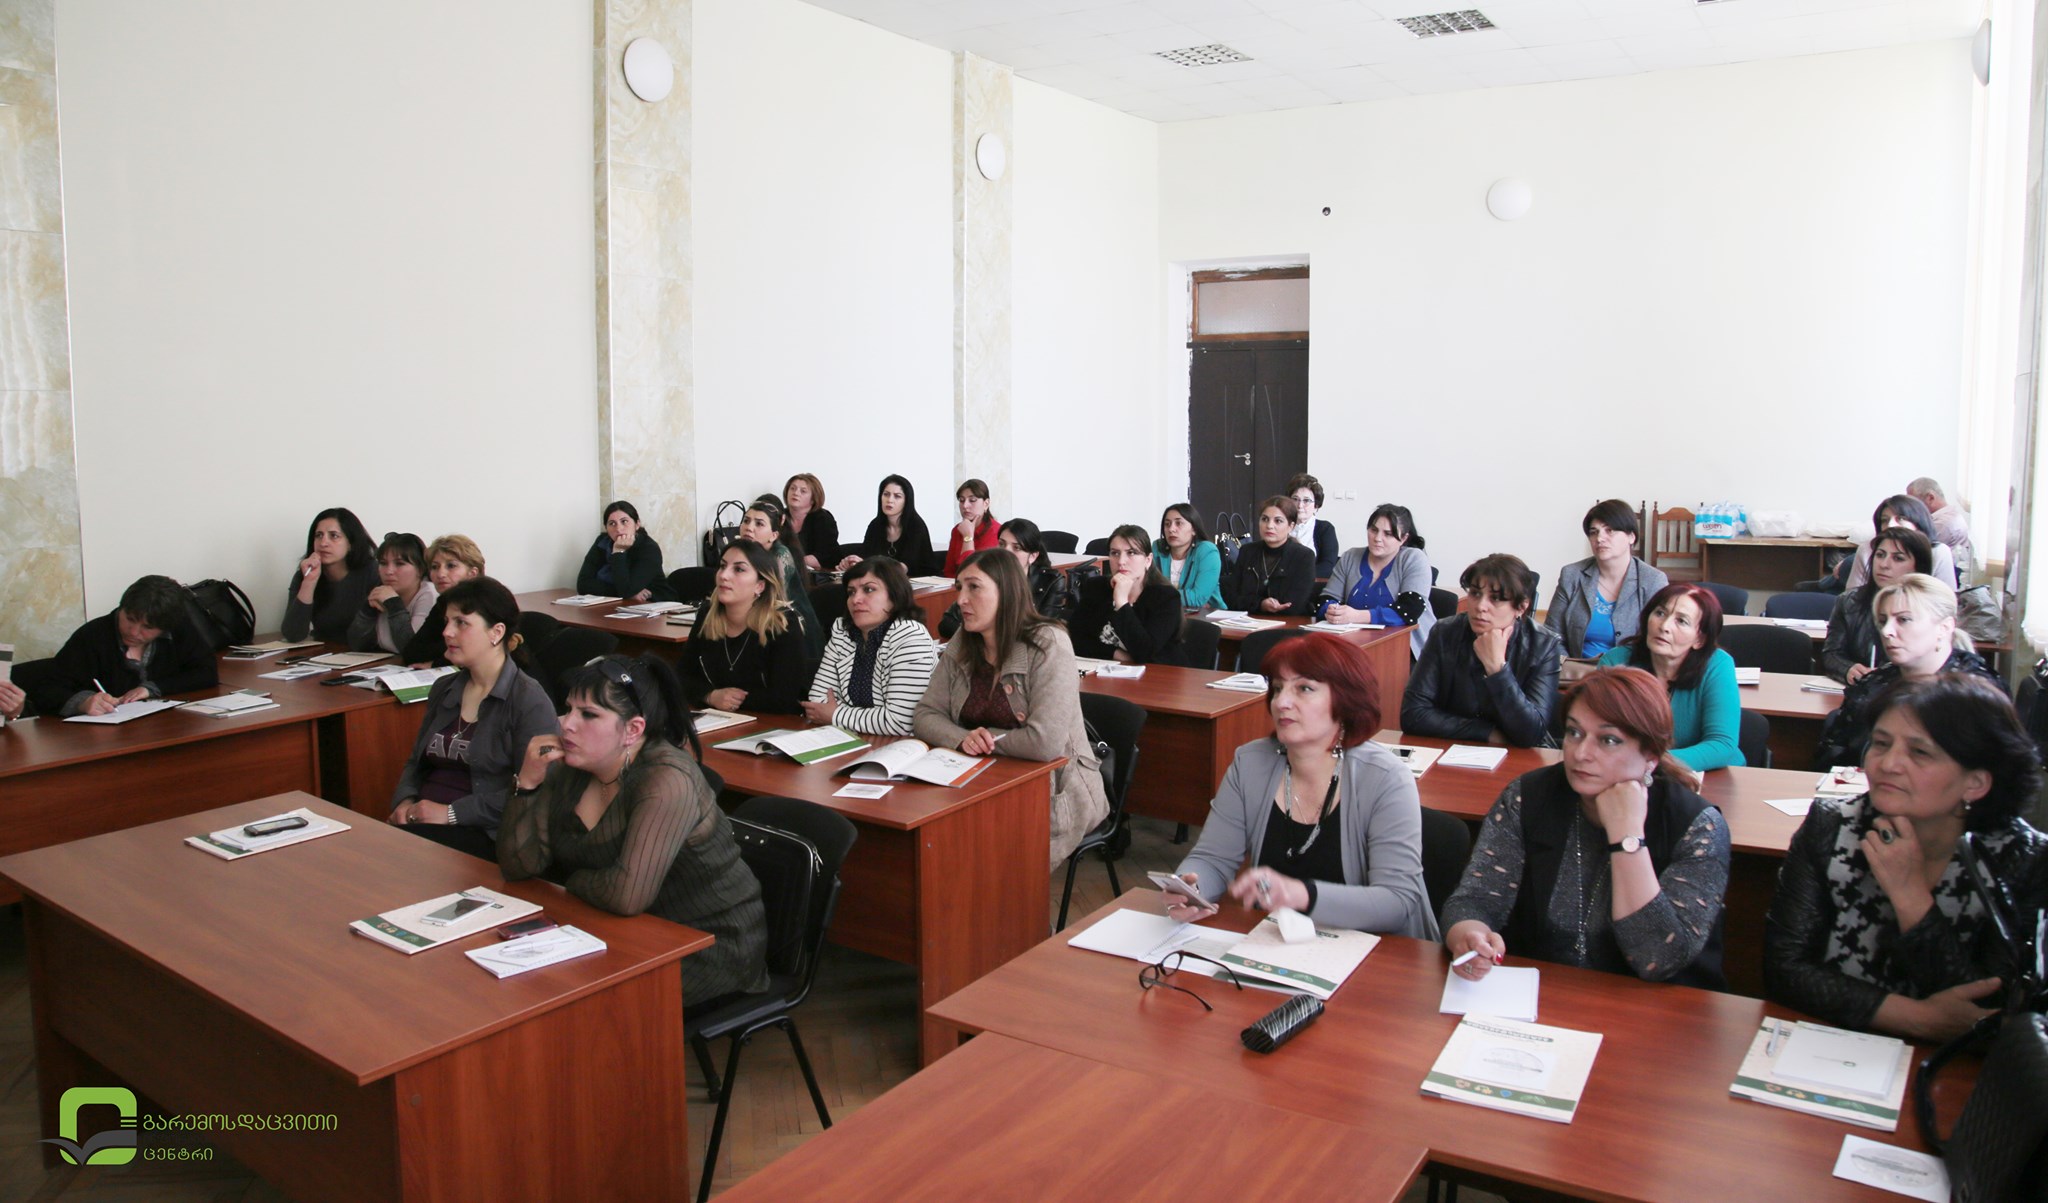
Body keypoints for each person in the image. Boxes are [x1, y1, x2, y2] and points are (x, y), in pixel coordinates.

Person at [1765, 675, 2048, 1040]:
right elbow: (1784, 969)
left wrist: (1911, 897)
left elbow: (1989, 1012)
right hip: (1831, 1045)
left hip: (1955, 1066)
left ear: (1976, 782)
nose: (1888, 764)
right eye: (1881, 744)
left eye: (1920, 753)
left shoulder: (2026, 860)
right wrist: (1917, 1018)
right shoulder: (1830, 825)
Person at [499, 654, 770, 1006]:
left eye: (589, 714)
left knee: (570, 1000)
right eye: (568, 709)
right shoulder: (572, 767)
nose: (566, 724)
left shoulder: (667, 780)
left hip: (708, 943)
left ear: (633, 730)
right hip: (616, 927)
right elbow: (519, 867)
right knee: (523, 985)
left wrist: (570, 881)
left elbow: (627, 896)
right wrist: (527, 783)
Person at [1442, 667, 1731, 989]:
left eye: (1609, 740)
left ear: (1651, 756)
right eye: (1574, 733)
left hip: (1656, 1004)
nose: (1581, 754)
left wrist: (1626, 836)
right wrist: (1468, 934)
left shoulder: (1696, 826)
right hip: (1542, 993)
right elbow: (1474, 901)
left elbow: (1657, 959)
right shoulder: (1528, 797)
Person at [1162, 633, 1438, 938]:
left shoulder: (1385, 778)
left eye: (1304, 688)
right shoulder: (1250, 762)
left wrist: (1301, 895)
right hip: (1278, 943)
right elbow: (1212, 858)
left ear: (1345, 701)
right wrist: (1191, 888)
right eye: (1278, 688)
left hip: (1380, 951)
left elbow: (1396, 902)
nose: (1281, 702)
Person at [914, 548, 1108, 867]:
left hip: (1054, 791)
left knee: (986, 860)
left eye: (974, 587)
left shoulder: (1048, 643)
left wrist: (984, 738)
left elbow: (1044, 744)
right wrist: (962, 738)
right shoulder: (964, 639)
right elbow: (925, 714)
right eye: (960, 587)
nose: (961, 599)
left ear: (1006, 592)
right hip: (978, 779)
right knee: (937, 846)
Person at [387, 578, 559, 861]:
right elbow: (415, 763)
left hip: (483, 831)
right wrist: (405, 801)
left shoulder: (529, 700)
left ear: (496, 632)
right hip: (424, 819)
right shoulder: (444, 688)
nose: (447, 632)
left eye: (461, 623)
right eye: (447, 622)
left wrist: (451, 813)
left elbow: (537, 791)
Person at [1816, 574, 2003, 769]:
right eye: (1883, 620)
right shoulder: (1872, 685)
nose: (1886, 631)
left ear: (1944, 628)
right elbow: (1833, 756)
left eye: (1903, 620)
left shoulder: (1976, 693)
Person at [1403, 554, 1562, 748]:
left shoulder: (1543, 645)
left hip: (1520, 757)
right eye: (1475, 594)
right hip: (1454, 750)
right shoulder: (1445, 632)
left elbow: (1531, 734)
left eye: (1495, 598)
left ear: (1521, 607)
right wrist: (1486, 732)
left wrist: (1497, 669)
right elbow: (1413, 714)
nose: (1480, 606)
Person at [1596, 582, 1743, 771]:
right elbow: (1597, 730)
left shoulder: (1717, 665)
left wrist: (1650, 763)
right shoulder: (1616, 662)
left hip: (1708, 775)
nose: (1664, 626)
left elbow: (1722, 745)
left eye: (1681, 621)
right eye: (1660, 613)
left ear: (1699, 639)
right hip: (1625, 773)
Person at [28, 575, 218, 717]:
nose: (134, 632)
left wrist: (152, 688)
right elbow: (47, 691)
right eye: (130, 619)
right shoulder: (92, 636)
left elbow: (206, 672)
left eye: (147, 627)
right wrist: (83, 702)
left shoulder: (179, 631)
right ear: (122, 608)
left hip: (164, 727)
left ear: (164, 628)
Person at [800, 556, 939, 735]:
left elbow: (901, 721)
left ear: (895, 595)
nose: (856, 599)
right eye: (851, 592)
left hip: (904, 744)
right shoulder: (843, 631)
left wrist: (835, 714)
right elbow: (818, 701)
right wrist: (867, 719)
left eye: (869, 589)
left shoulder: (910, 636)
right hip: (854, 738)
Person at [676, 540, 811, 715]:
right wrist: (710, 696)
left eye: (739, 569)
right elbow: (682, 676)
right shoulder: (707, 615)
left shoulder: (783, 623)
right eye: (722, 566)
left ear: (760, 585)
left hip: (774, 721)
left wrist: (733, 700)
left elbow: (785, 696)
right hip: (721, 719)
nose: (724, 575)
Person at [1545, 499, 1669, 659]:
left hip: (1629, 670)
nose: (1599, 538)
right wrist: (1567, 665)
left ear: (1631, 537)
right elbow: (1551, 635)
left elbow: (1660, 640)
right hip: (1576, 669)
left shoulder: (1652, 581)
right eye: (1594, 532)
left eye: (1609, 530)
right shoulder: (1572, 575)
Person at [1317, 502, 1435, 658]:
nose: (1377, 538)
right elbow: (1325, 599)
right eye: (1373, 530)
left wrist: (1357, 616)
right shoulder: (1350, 556)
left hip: (1406, 651)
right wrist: (1332, 611)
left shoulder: (1413, 558)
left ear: (1403, 538)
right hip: (1354, 645)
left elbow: (1409, 611)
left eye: (1388, 534)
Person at [1821, 527, 1931, 684]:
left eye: (1898, 558)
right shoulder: (1848, 602)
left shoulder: (1931, 608)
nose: (1884, 564)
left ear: (1918, 567)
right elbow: (1831, 653)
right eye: (1880, 555)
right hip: (1861, 689)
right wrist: (1848, 669)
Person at [1066, 524, 1184, 665]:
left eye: (1131, 553)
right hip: (1108, 672)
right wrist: (1116, 654)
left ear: (1148, 560)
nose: (1121, 561)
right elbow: (1075, 639)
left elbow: (1145, 652)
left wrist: (1121, 602)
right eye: (1115, 553)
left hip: (1158, 674)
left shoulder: (1166, 597)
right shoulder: (1096, 587)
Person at [938, 518, 1076, 637]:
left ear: (1032, 556)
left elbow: (1042, 631)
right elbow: (947, 623)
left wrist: (988, 633)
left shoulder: (1051, 581)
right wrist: (981, 637)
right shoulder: (986, 576)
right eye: (1002, 544)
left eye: (1017, 548)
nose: (1005, 552)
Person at [739, 495, 824, 657]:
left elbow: (773, 603)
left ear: (773, 535)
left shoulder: (780, 555)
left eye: (759, 524)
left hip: (794, 632)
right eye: (746, 521)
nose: (749, 528)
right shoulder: (740, 553)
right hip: (758, 623)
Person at [282, 507, 377, 642]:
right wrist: (309, 583)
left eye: (334, 536)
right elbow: (292, 634)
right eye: (319, 535)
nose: (323, 543)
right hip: (325, 650)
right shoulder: (305, 575)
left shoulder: (372, 572)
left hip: (365, 650)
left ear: (350, 543)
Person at [1222, 495, 1317, 615]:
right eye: (1265, 519)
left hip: (1288, 622)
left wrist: (1255, 603)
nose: (1269, 526)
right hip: (1249, 620)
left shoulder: (1304, 556)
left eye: (1278, 521)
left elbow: (1295, 604)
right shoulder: (1247, 551)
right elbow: (1232, 597)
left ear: (1291, 526)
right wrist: (1261, 604)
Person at [401, 533, 486, 667]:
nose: (440, 574)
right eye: (434, 567)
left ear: (472, 573)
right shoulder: (443, 604)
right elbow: (411, 652)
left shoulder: (485, 604)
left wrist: (436, 663)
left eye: (451, 566)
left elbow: (479, 651)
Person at [348, 531, 438, 655]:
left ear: (420, 569)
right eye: (383, 563)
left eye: (399, 564)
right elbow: (357, 645)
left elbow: (412, 650)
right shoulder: (381, 591)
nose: (389, 571)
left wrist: (394, 605)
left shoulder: (430, 594)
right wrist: (368, 610)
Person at [1844, 494, 1957, 590]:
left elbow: (1946, 601)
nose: (1890, 525)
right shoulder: (1867, 549)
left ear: (1918, 522)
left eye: (1901, 519)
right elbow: (1852, 595)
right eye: (1884, 520)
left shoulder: (1939, 552)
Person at [838, 474, 938, 576]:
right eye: (886, 494)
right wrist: (854, 563)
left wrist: (868, 565)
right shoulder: (875, 525)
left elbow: (903, 568)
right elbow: (867, 557)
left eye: (897, 496)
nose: (890, 500)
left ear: (906, 501)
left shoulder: (916, 526)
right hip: (883, 580)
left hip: (918, 581)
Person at [575, 500, 674, 603]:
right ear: (606, 528)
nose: (618, 529)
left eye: (624, 522)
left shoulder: (649, 548)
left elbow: (627, 590)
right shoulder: (602, 542)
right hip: (618, 604)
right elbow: (582, 585)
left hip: (656, 603)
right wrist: (626, 594)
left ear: (637, 524)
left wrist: (618, 552)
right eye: (612, 523)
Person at [1152, 503, 1225, 610]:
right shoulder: (1157, 548)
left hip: (1208, 615)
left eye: (1178, 523)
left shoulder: (1207, 551)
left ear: (1194, 529)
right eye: (1167, 524)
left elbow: (1197, 598)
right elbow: (1146, 590)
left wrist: (1159, 596)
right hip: (1167, 613)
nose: (1171, 529)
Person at [1906, 476, 1973, 580]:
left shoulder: (1942, 524)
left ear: (1930, 498)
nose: (1911, 508)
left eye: (1914, 503)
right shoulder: (1951, 515)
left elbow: (1918, 554)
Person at [1286, 473, 1341, 579]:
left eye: (1306, 500)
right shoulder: (1280, 526)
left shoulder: (1325, 529)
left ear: (1316, 506)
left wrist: (1299, 577)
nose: (1300, 505)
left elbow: (1328, 566)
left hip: (1313, 584)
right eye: (1295, 499)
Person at [942, 478, 999, 577]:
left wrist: (967, 537)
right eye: (961, 500)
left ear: (986, 504)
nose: (965, 506)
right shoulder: (957, 529)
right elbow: (949, 571)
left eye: (972, 500)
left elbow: (971, 573)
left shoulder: (996, 531)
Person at [783, 472, 839, 573]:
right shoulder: (779, 516)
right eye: (793, 488)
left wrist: (788, 562)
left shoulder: (823, 518)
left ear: (813, 499)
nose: (796, 493)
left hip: (820, 574)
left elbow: (823, 556)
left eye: (803, 491)